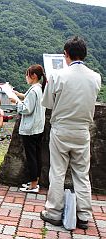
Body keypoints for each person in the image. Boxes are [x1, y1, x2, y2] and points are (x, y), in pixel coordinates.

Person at [40, 36, 101, 230]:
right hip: (83, 130)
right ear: (84, 54)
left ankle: (54, 212)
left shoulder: (58, 76)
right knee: (82, 173)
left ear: (66, 54)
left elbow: (48, 103)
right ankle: (83, 215)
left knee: (57, 171)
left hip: (61, 129)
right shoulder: (96, 77)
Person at [10, 65, 46, 193]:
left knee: (31, 157)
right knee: (36, 155)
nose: (26, 77)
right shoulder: (39, 88)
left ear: (34, 76)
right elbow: (27, 98)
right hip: (38, 128)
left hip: (30, 129)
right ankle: (34, 181)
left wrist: (15, 102)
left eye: (27, 74)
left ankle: (33, 185)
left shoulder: (34, 90)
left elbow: (26, 109)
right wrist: (16, 94)